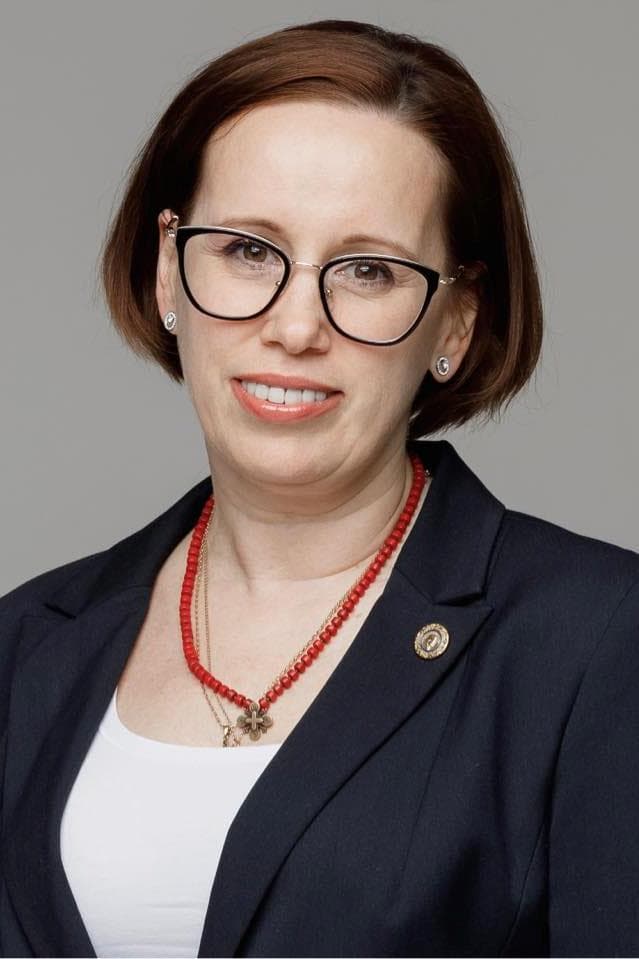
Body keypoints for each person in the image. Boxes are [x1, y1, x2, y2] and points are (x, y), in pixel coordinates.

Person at [1, 17, 638, 959]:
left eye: (368, 269)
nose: (295, 326)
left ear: (455, 320)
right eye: (248, 251)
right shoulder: (24, 644)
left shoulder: (594, 639)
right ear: (169, 267)